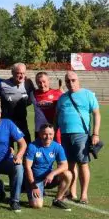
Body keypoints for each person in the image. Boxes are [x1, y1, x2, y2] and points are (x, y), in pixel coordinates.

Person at [54, 71, 101, 205]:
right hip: (64, 135)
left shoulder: (87, 94)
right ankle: (71, 192)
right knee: (69, 164)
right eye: (68, 81)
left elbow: (96, 114)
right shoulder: (62, 98)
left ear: (78, 80)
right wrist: (54, 132)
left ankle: (84, 195)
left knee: (83, 164)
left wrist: (95, 133)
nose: (71, 83)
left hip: (81, 135)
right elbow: (56, 117)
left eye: (73, 80)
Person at [24, 124, 71, 210]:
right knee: (37, 205)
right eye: (45, 134)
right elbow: (27, 167)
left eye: (50, 134)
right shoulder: (32, 146)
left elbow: (65, 165)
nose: (48, 137)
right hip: (35, 180)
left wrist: (52, 174)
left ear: (54, 134)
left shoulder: (57, 147)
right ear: (40, 134)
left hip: (48, 179)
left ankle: (57, 200)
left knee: (68, 174)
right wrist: (33, 186)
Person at [0, 63, 37, 142]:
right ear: (12, 73)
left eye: (23, 73)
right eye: (19, 73)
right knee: (8, 148)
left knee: (26, 146)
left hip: (22, 123)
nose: (21, 76)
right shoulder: (2, 85)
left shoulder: (28, 84)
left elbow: (37, 96)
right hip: (6, 123)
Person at [34, 72, 63, 142]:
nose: (42, 85)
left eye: (44, 82)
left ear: (48, 81)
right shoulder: (33, 93)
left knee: (56, 147)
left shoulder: (58, 93)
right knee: (40, 148)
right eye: (39, 82)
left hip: (54, 129)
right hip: (40, 130)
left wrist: (63, 93)